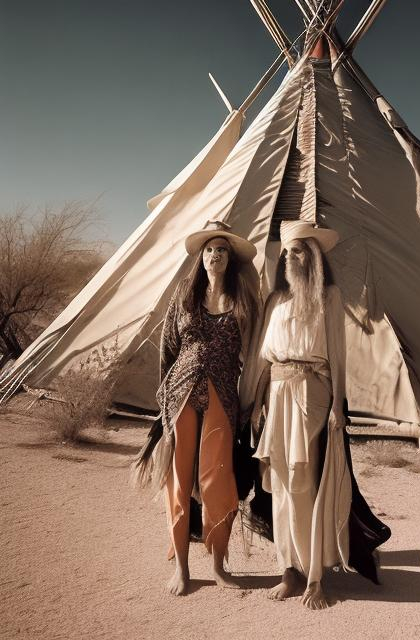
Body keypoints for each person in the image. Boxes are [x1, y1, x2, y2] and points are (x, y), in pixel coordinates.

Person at [243, 220, 389, 610]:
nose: (292, 257)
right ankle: (287, 570)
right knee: (280, 484)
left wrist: (339, 407)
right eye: (288, 252)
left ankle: (315, 577)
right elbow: (262, 357)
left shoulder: (329, 296)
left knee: (308, 485)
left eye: (300, 251)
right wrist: (256, 402)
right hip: (277, 395)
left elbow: (338, 357)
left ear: (314, 257)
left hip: (313, 394)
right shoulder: (276, 301)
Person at [133, 220, 259, 596]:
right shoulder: (184, 296)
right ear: (201, 258)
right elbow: (167, 348)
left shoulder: (243, 299)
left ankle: (219, 563)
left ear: (230, 258)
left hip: (223, 394)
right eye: (209, 250)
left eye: (221, 249)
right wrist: (163, 400)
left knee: (217, 478)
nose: (214, 255)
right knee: (178, 479)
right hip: (181, 393)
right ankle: (183, 568)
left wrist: (250, 403)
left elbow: (251, 353)